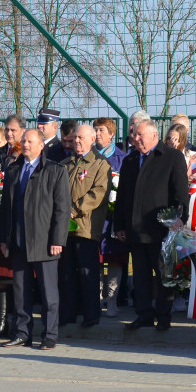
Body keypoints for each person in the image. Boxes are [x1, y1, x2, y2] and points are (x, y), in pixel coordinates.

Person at [114, 120, 189, 331]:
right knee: (140, 275)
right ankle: (144, 314)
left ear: (154, 135)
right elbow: (122, 196)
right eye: (133, 136)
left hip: (162, 229)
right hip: (135, 229)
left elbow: (181, 193)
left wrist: (179, 217)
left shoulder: (172, 157)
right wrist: (120, 224)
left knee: (164, 274)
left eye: (140, 135)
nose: (135, 139)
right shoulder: (130, 160)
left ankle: (164, 316)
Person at [0, 129, 70, 349]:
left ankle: (49, 335)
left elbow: (62, 209)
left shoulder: (55, 171)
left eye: (30, 141)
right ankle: (22, 333)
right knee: (20, 292)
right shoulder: (13, 171)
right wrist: (4, 239)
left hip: (45, 242)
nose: (25, 144)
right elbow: (5, 209)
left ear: (41, 145)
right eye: (23, 141)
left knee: (49, 293)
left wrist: (57, 239)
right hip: (19, 241)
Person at [61, 125, 111, 328]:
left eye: (81, 137)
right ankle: (68, 313)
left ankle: (91, 314)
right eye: (74, 138)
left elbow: (98, 193)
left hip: (86, 227)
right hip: (65, 228)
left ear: (92, 139)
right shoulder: (65, 164)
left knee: (86, 272)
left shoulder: (100, 164)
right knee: (66, 273)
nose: (77, 141)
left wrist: (74, 209)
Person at [94, 117, 129, 317]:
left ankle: (112, 300)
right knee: (96, 260)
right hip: (95, 218)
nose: (98, 134)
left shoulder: (122, 158)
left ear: (111, 134)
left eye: (101, 130)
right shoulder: (89, 156)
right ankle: (98, 299)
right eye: (96, 130)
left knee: (114, 260)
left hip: (114, 219)